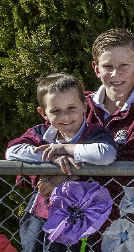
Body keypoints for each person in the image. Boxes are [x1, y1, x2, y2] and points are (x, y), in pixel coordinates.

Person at [7, 73, 116, 252]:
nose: (65, 116)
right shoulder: (40, 133)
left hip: (81, 217)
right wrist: (52, 157)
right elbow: (12, 151)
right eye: (56, 111)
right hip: (42, 212)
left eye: (71, 108)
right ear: (43, 113)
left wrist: (64, 149)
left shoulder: (95, 133)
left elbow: (107, 154)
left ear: (84, 106)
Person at [84, 28, 134, 160]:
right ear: (96, 69)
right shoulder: (79, 104)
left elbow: (132, 156)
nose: (115, 73)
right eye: (108, 67)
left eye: (124, 65)